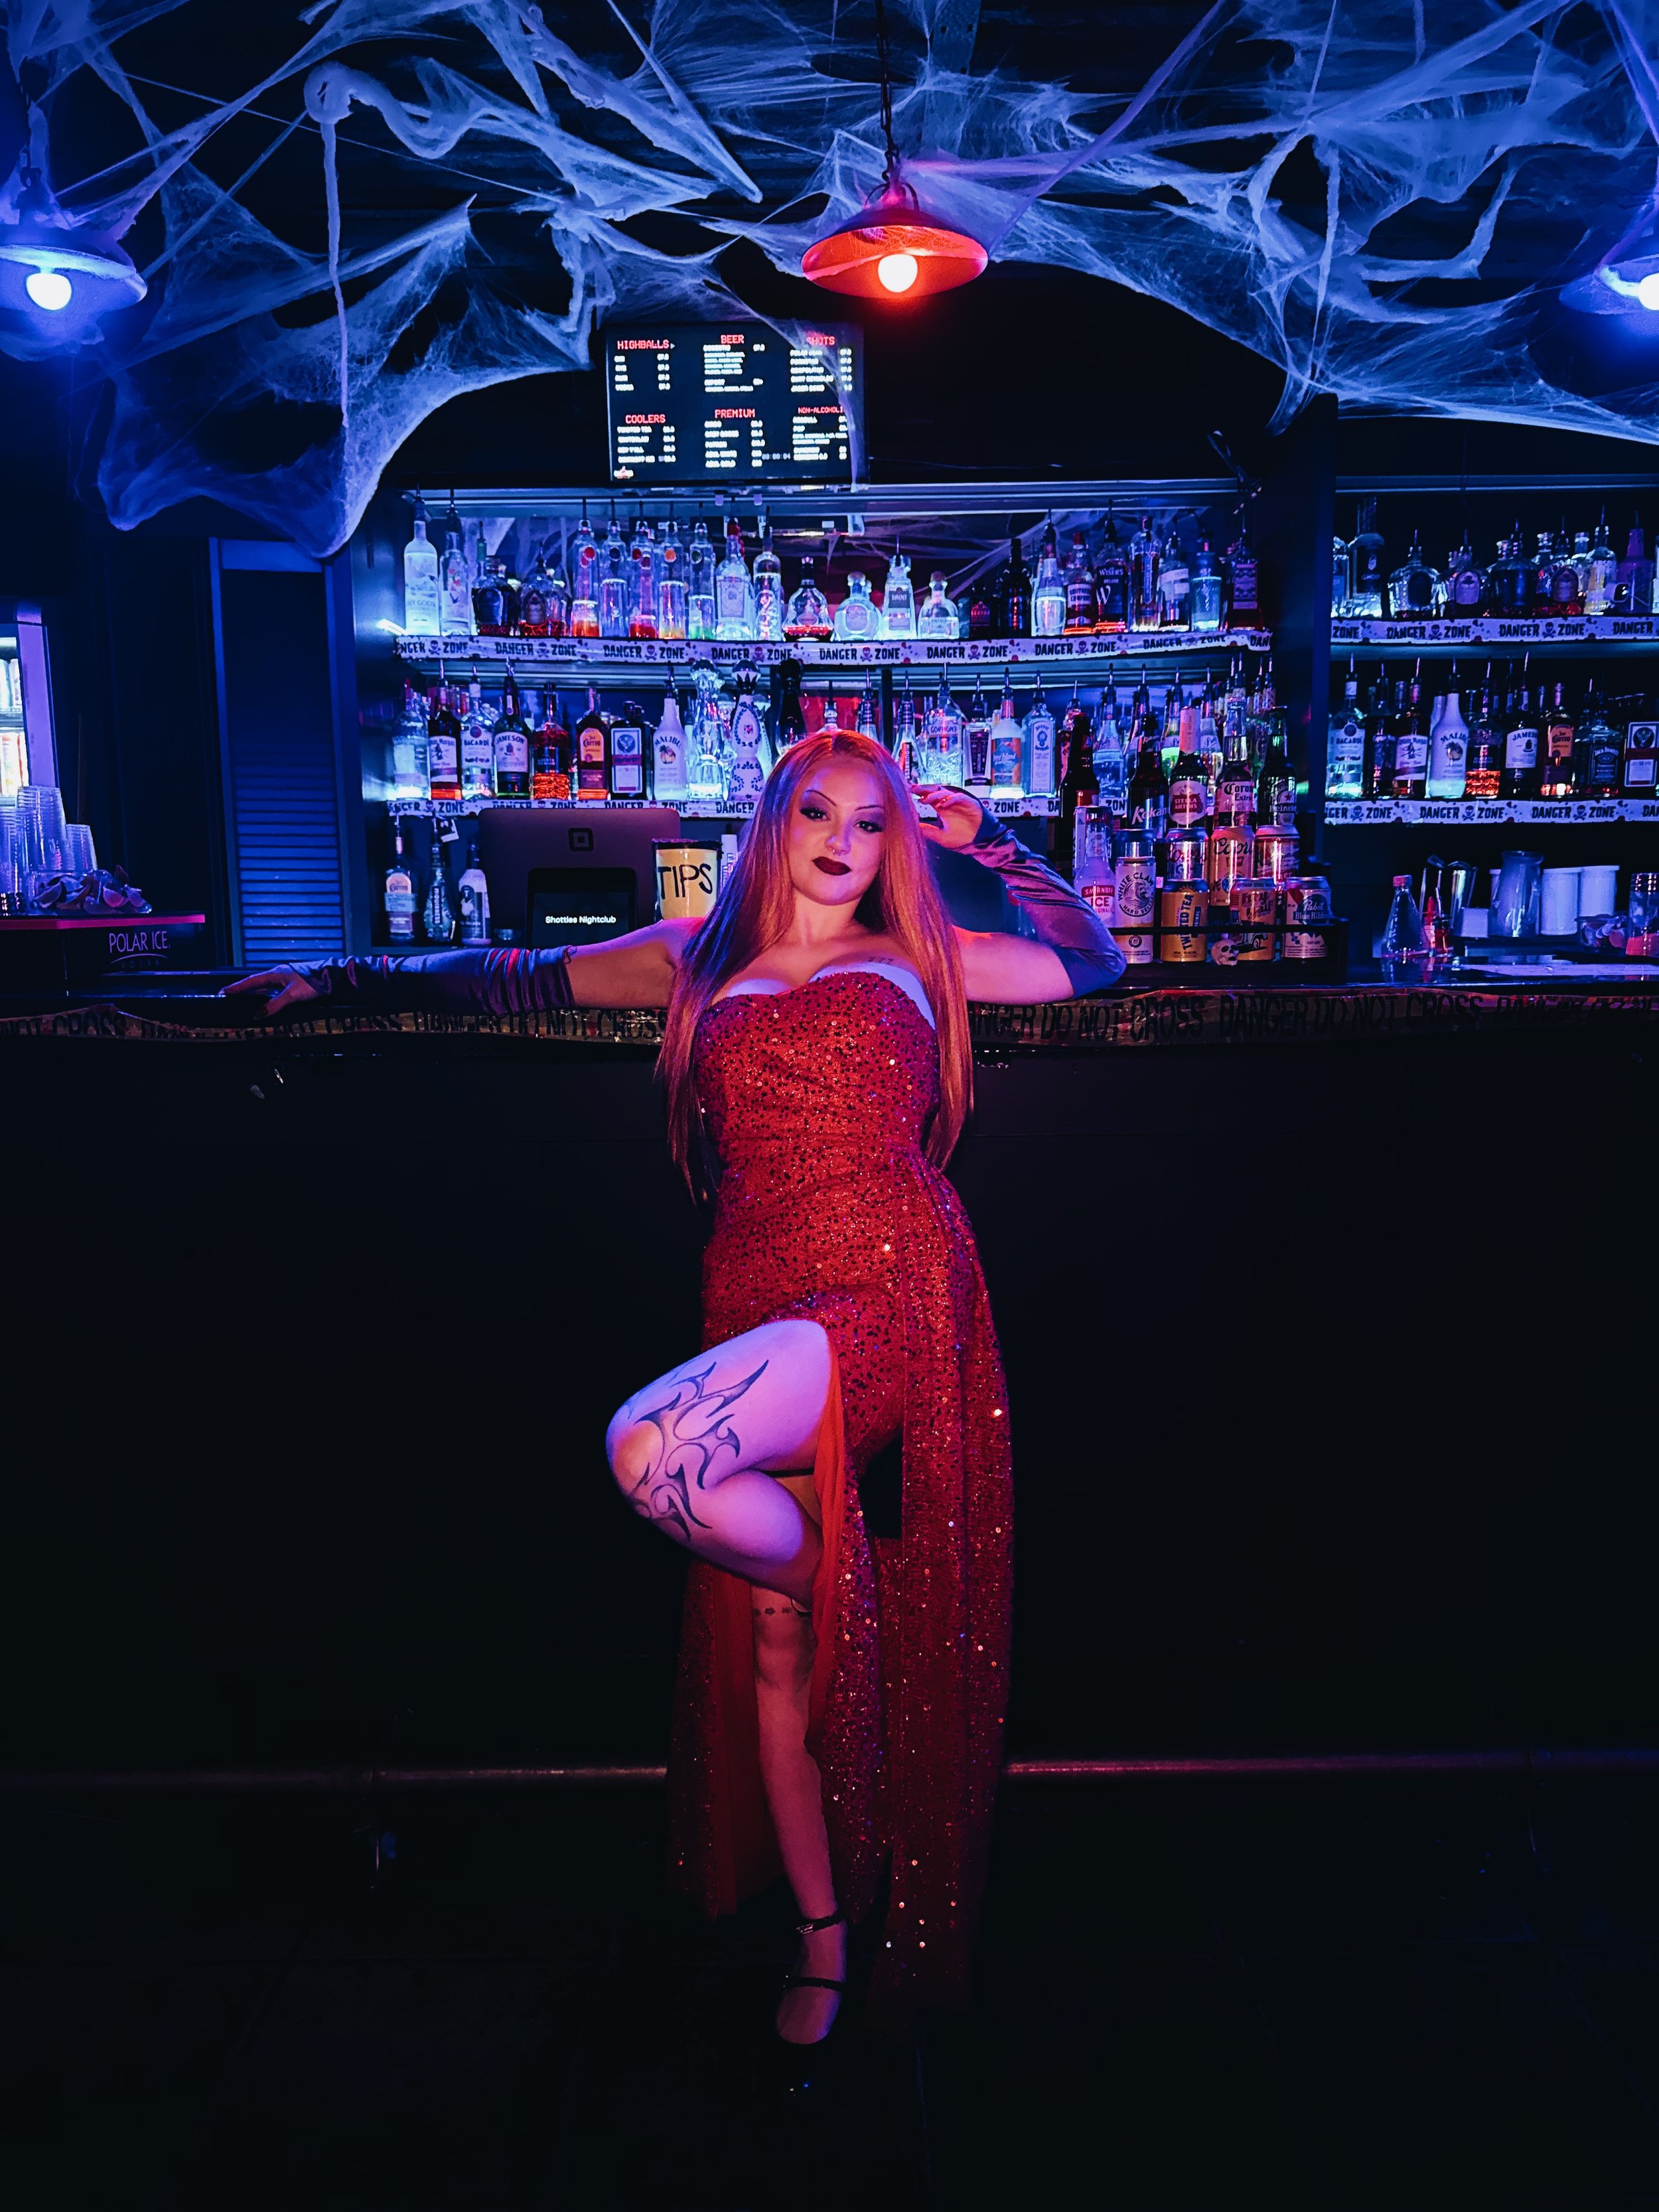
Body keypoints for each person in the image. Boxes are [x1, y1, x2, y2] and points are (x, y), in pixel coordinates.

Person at [230, 731, 1123, 2043]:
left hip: (885, 1289)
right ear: (772, 817)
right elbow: (512, 979)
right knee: (774, 1642)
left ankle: (836, 1577)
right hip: (752, 1294)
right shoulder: (696, 954)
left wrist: (989, 843)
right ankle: (818, 1942)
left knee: (648, 1451)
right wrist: (343, 974)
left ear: (892, 844)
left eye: (869, 822)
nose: (838, 838)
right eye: (814, 809)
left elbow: (1094, 961)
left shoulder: (920, 955)